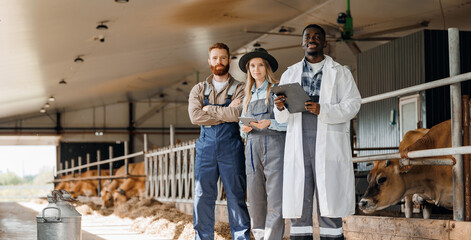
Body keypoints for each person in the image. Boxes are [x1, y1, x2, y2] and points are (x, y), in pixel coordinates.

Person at [274, 24, 361, 240]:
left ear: (324, 42)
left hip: (328, 139)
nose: (312, 39)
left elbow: (353, 104)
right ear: (302, 42)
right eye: (307, 36)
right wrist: (279, 107)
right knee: (300, 198)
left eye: (317, 36)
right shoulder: (289, 73)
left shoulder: (340, 72)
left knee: (328, 198)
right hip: (299, 138)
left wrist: (324, 109)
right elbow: (281, 117)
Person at [188, 43, 251, 240]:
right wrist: (225, 112)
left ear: (229, 59)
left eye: (223, 58)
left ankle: (241, 237)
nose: (219, 62)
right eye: (215, 58)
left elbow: (237, 114)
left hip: (231, 147)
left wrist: (209, 110)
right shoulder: (198, 89)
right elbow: (195, 117)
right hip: (205, 148)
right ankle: (203, 237)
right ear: (209, 61)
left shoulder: (241, 88)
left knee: (235, 195)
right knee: (202, 196)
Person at [238, 48, 287, 240]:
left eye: (260, 65)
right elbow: (241, 127)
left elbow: (288, 122)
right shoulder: (247, 96)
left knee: (275, 197)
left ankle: (273, 237)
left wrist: (270, 123)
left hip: (275, 145)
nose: (256, 69)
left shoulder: (277, 90)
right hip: (252, 147)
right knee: (256, 198)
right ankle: (259, 236)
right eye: (252, 66)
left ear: (266, 68)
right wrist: (244, 131)